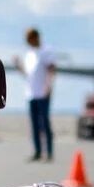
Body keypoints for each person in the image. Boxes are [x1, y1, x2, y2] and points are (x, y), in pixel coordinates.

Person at [17, 27, 56, 162]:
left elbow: (51, 69)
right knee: (34, 124)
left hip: (43, 92)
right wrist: (19, 66)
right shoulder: (29, 54)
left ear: (35, 37)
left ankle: (49, 152)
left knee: (44, 122)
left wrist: (48, 86)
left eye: (29, 39)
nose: (27, 42)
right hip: (31, 93)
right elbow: (28, 75)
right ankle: (38, 151)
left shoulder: (46, 51)